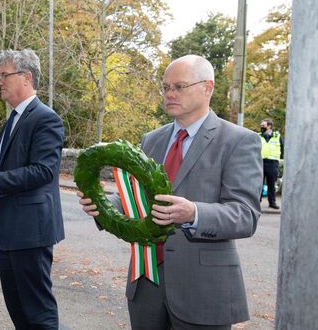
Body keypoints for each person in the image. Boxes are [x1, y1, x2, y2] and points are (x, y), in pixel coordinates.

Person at [78, 55, 262, 329]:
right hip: (146, 282)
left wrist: (194, 213)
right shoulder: (151, 139)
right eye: (165, 87)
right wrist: (104, 205)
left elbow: (245, 215)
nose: (170, 94)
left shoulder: (238, 141)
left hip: (202, 289)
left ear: (207, 87)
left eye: (179, 86)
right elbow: (136, 200)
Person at [0, 49, 65, 329]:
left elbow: (43, 172)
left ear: (26, 77)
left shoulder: (45, 118)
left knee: (38, 312)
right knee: (18, 308)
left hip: (31, 231)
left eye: (4, 75)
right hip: (9, 231)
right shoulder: (13, 120)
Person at [259, 119, 283, 209]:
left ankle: (272, 202)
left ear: (269, 126)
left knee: (271, 184)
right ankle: (257, 202)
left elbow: (283, 148)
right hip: (260, 162)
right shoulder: (258, 136)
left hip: (273, 163)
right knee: (258, 184)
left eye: (263, 126)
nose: (262, 127)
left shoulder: (277, 136)